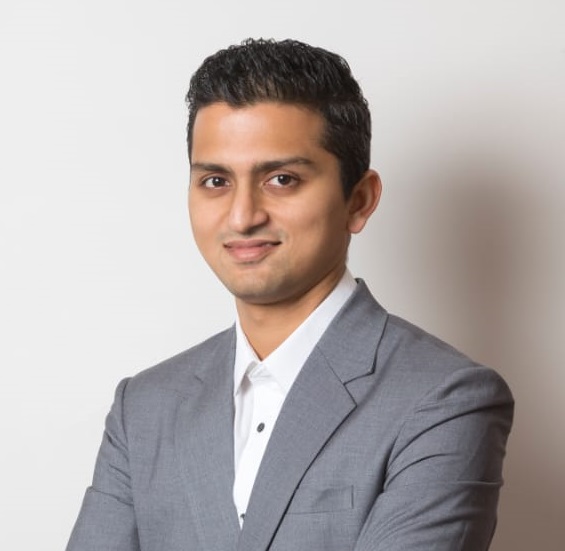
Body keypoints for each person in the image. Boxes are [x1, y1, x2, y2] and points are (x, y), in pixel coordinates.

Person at [66, 38, 514, 551]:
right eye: (215, 181)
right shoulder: (143, 407)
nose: (242, 217)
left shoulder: (443, 399)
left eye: (281, 179)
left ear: (359, 200)